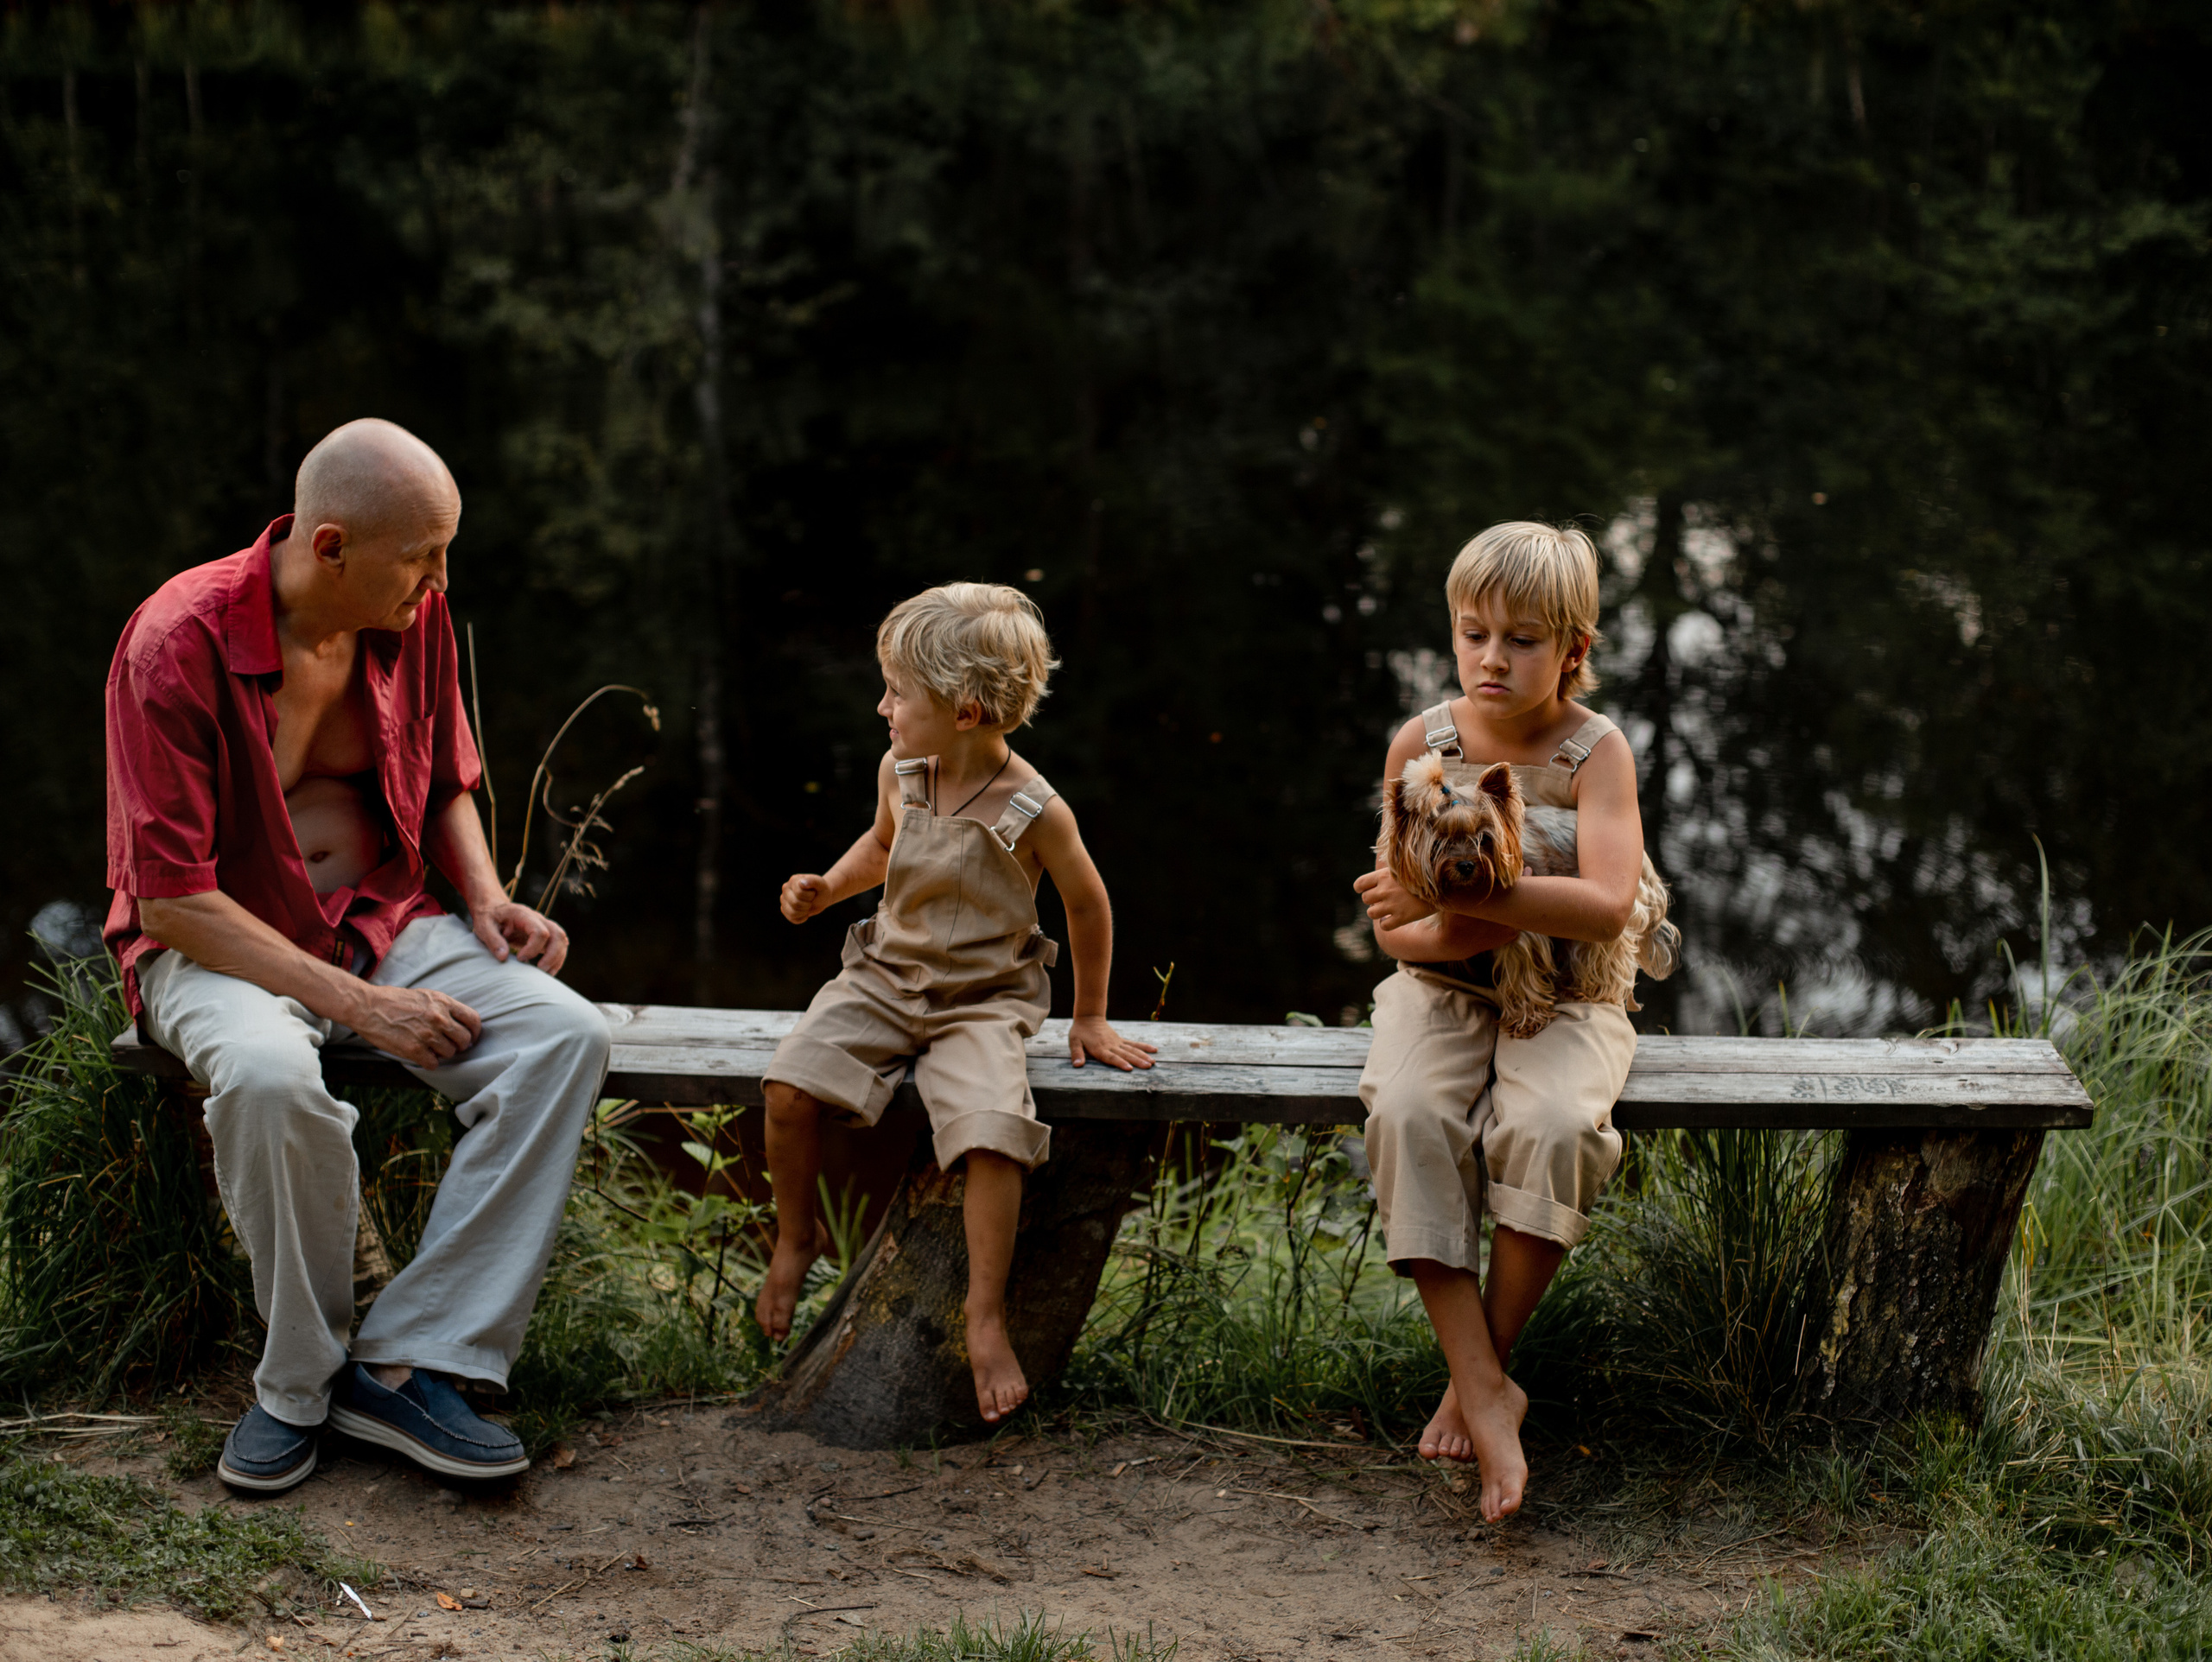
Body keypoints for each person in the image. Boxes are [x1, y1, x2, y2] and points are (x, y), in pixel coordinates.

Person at [104, 418, 612, 1494]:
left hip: (378, 919)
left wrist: (485, 899)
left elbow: (443, 781)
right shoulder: (174, 643)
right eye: (423, 554)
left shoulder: (409, 613)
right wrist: (361, 1009)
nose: (440, 580)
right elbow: (173, 897)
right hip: (222, 945)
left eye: (445, 552)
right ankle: (296, 1384)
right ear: (329, 546)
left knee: (564, 1035)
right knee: (270, 1076)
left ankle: (415, 1356)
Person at [759, 582, 1157, 1423]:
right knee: (789, 1088)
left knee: (990, 1137)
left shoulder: (1034, 808)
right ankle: (796, 1238)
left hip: (983, 1000)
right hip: (885, 977)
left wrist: (1088, 1015)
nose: (882, 705)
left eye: (897, 692)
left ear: (967, 710)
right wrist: (827, 888)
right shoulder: (901, 769)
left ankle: (983, 1311)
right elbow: (880, 845)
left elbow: (1088, 904)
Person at [1352, 522, 1648, 1523]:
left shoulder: (1595, 753)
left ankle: (1479, 1371)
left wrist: (1472, 903)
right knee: (1405, 1110)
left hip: (1570, 990)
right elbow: (1400, 932)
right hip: (1441, 987)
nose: (1491, 657)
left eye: (1522, 639)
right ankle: (1483, 1386)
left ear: (1574, 649)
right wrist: (1446, 928)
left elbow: (1607, 906)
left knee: (1556, 1126)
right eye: (1473, 632)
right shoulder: (1421, 748)